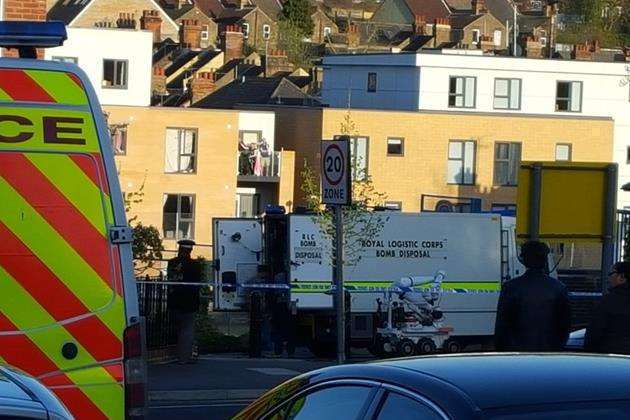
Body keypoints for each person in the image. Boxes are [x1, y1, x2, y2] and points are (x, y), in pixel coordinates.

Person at [494, 241, 571, 352]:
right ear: (545, 260)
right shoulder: (559, 288)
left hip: (517, 355)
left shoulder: (510, 288)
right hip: (549, 353)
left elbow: (501, 327)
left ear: (524, 260)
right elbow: (564, 326)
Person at [584, 261, 630, 354]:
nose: (608, 277)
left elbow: (594, 334)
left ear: (622, 277)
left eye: (611, 274)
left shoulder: (607, 302)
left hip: (611, 358)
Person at [167, 239, 200, 364]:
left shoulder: (172, 263)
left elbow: (171, 280)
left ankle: (174, 355)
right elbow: (197, 283)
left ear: (179, 249)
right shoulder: (195, 265)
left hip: (174, 300)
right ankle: (184, 357)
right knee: (187, 329)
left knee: (176, 327)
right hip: (190, 302)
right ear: (191, 250)